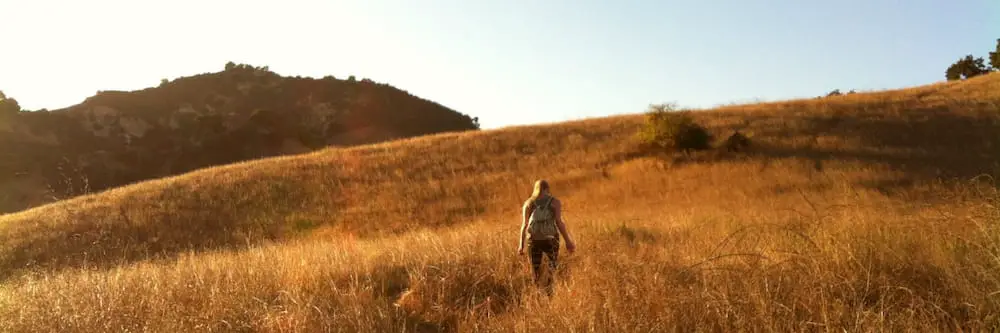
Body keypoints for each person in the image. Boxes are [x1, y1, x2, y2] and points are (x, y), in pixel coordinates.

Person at [518, 179, 576, 294]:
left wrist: (521, 245)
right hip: (551, 239)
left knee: (535, 269)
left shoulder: (528, 203)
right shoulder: (555, 202)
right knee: (552, 266)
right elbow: (559, 223)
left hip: (533, 241)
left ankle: (538, 293)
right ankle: (550, 292)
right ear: (547, 189)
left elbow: (524, 225)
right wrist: (568, 241)